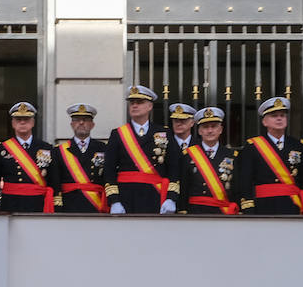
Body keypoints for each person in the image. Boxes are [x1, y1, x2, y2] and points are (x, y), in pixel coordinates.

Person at [235, 95, 303, 214]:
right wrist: (248, 207)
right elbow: (246, 181)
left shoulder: (298, 145)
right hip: (263, 206)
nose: (279, 118)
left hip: (292, 206)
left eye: (282, 115)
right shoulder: (252, 146)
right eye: (274, 116)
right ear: (264, 122)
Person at [105, 84, 171, 214]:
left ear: (150, 106)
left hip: (154, 196)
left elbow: (173, 168)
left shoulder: (164, 133)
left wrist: (171, 198)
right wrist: (114, 200)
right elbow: (109, 170)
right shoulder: (118, 134)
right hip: (125, 197)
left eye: (139, 102)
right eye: (132, 103)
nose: (134, 106)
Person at [171, 106, 240, 215]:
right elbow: (183, 186)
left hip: (223, 213)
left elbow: (237, 187)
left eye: (214, 126)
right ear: (199, 131)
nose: (210, 130)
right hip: (196, 212)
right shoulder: (188, 155)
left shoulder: (232, 155)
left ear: (220, 130)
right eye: (205, 127)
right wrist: (182, 210)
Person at [0, 102, 55, 213]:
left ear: (33, 122)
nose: (22, 122)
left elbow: (53, 178)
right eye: (18, 119)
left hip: (37, 204)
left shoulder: (46, 148)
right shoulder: (1, 149)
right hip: (11, 204)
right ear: (13, 123)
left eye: (26, 119)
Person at [52, 103, 108, 213]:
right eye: (77, 120)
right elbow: (55, 181)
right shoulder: (59, 151)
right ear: (72, 124)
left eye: (86, 120)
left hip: (95, 206)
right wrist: (57, 205)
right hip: (69, 205)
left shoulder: (103, 148)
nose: (81, 123)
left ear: (92, 125)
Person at [160, 103, 197, 215]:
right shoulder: (163, 144)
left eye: (183, 120)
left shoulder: (199, 145)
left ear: (192, 123)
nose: (178, 123)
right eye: (175, 120)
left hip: (192, 202)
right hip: (166, 200)